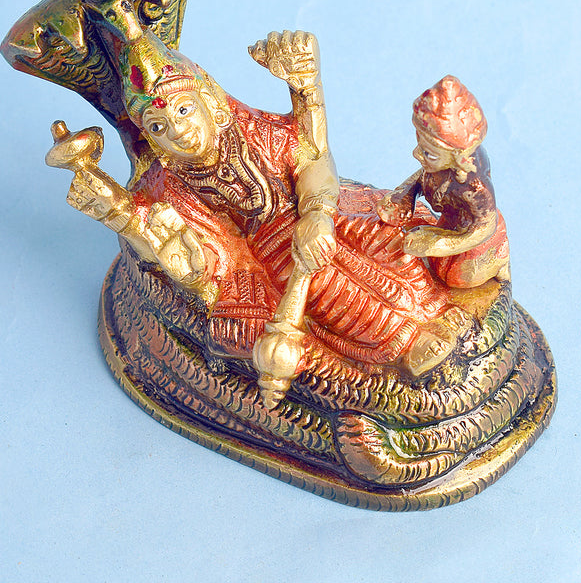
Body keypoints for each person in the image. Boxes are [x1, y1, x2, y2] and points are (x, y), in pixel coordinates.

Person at [66, 28, 471, 383]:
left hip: (320, 211)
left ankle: (435, 308)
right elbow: (202, 260)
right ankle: (403, 342)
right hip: (273, 250)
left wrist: (307, 91)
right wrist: (125, 219)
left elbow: (310, 155)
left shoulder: (251, 132)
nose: (179, 130)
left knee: (389, 236)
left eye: (184, 110)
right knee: (332, 289)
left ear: (210, 103)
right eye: (158, 127)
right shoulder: (172, 184)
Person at [378, 76, 510, 288]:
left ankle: (497, 266)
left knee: (456, 276)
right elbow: (424, 176)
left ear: (460, 159)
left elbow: (485, 227)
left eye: (428, 153)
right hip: (448, 223)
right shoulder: (441, 167)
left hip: (470, 239)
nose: (415, 154)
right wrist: (405, 194)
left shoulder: (475, 187)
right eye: (419, 143)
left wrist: (439, 243)